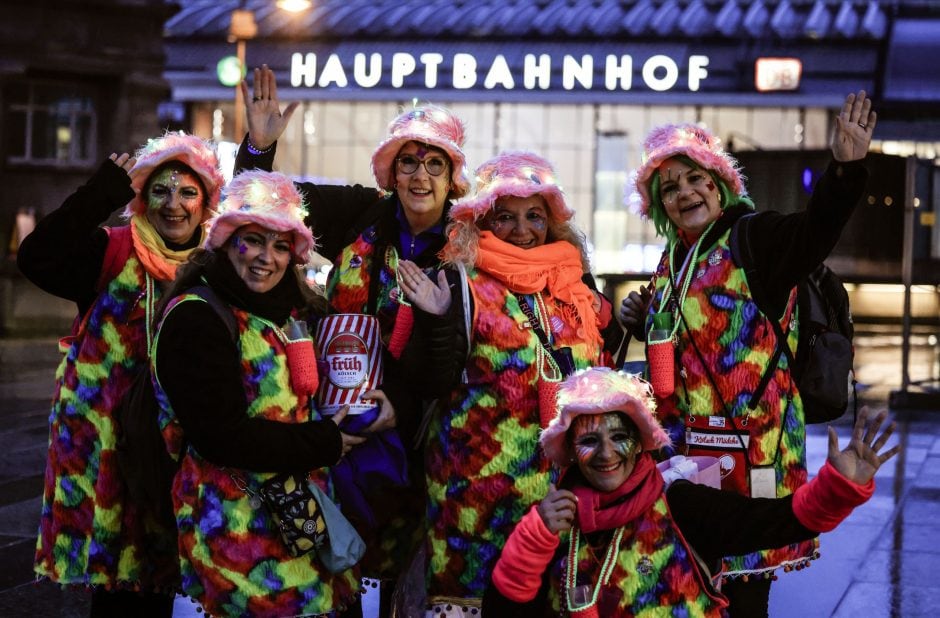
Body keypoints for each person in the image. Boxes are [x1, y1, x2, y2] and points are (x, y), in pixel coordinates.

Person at [617, 90, 876, 615]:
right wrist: (641, 318)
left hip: (754, 454)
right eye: (670, 188)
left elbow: (813, 232)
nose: (685, 192)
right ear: (659, 205)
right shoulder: (672, 260)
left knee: (742, 590)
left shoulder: (753, 237)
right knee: (686, 586)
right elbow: (684, 336)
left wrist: (844, 174)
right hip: (687, 454)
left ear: (719, 184)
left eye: (696, 179)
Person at [234, 65, 472, 614]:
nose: (420, 175)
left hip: (419, 437)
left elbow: (460, 353)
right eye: (408, 161)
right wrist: (260, 147)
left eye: (434, 164)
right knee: (331, 565)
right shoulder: (360, 214)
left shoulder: (468, 246)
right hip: (331, 422)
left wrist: (403, 409)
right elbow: (259, 200)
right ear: (391, 171)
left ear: (452, 178)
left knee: (390, 569)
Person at [482, 367, 899, 616]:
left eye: (620, 436)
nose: (607, 454)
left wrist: (838, 487)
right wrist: (534, 538)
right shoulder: (556, 522)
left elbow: (777, 521)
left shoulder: (678, 504)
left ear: (641, 440)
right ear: (571, 451)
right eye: (590, 441)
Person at [397, 151, 622, 614]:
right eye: (506, 217)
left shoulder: (575, 285)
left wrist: (625, 325)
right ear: (484, 220)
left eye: (534, 216)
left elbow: (598, 375)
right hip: (476, 508)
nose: (521, 230)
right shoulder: (459, 282)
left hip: (563, 502)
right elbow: (427, 382)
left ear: (552, 221)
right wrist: (436, 319)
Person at [17, 133, 224, 616]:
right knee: (124, 593)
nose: (174, 205)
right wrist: (102, 191)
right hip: (115, 461)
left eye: (187, 192)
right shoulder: (109, 252)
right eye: (160, 191)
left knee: (194, 581)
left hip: (192, 455)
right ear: (141, 198)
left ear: (206, 201)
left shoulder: (219, 266)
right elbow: (36, 257)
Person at [150, 169, 366, 617]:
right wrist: (325, 442)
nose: (266, 257)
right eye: (252, 240)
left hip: (294, 524)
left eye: (281, 245)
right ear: (226, 242)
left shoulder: (284, 313)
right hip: (234, 539)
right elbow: (221, 435)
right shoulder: (197, 317)